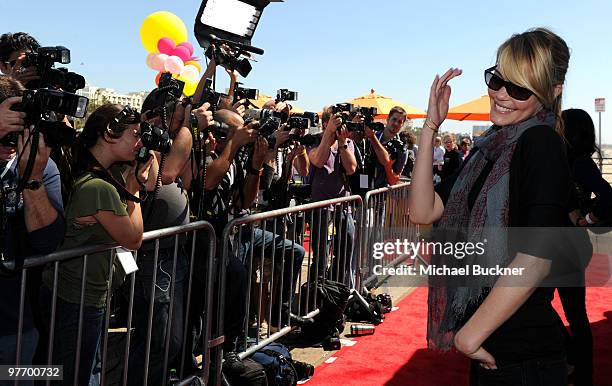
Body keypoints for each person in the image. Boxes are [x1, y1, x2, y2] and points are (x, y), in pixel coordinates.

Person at [409, 28, 572, 385]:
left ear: (552, 92)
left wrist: (469, 337)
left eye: (518, 88)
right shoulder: (490, 148)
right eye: (497, 79)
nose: (500, 95)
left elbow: (536, 258)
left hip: (523, 358)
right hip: (494, 349)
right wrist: (430, 126)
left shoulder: (540, 143)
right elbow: (423, 212)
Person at [40, 104, 153, 385]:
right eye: (135, 134)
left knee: (75, 370)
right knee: (70, 375)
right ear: (109, 135)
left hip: (79, 295)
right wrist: (135, 188)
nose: (140, 143)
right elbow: (134, 238)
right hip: (79, 300)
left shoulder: (98, 175)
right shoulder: (98, 187)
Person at [0, 76, 64, 385]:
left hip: (17, 325)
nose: (9, 146)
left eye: (15, 136)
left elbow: (47, 243)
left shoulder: (37, 164)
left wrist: (33, 178)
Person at [561, 108, 612, 386]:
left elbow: (609, 196)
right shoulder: (567, 160)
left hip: (567, 246)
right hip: (563, 245)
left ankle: (579, 369)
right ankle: (578, 368)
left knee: (573, 314)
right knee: (571, 313)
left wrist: (588, 218)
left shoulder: (579, 162)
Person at [307, 106, 357, 286]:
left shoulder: (347, 143)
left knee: (345, 252)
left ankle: (335, 291)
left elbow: (351, 169)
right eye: (336, 122)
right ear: (326, 123)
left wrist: (342, 143)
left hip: (343, 208)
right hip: (320, 209)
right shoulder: (314, 141)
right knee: (321, 257)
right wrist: (328, 136)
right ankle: (315, 294)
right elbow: (319, 160)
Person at [363, 106, 409, 188]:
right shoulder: (371, 134)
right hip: (364, 181)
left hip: (381, 193)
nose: (396, 124)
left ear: (402, 125)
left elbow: (393, 180)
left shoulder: (401, 149)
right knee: (363, 196)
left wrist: (387, 165)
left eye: (399, 122)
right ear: (388, 119)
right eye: (394, 119)